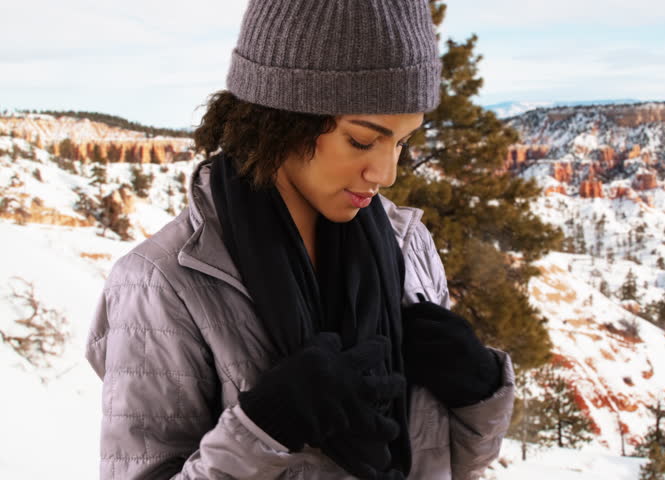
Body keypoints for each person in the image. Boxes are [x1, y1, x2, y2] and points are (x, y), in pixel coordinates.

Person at [84, 1, 515, 478]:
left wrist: (478, 396)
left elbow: (453, 464)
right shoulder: (160, 283)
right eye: (361, 140)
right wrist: (264, 427)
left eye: (401, 142)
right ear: (283, 119)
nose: (386, 173)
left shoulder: (407, 245)